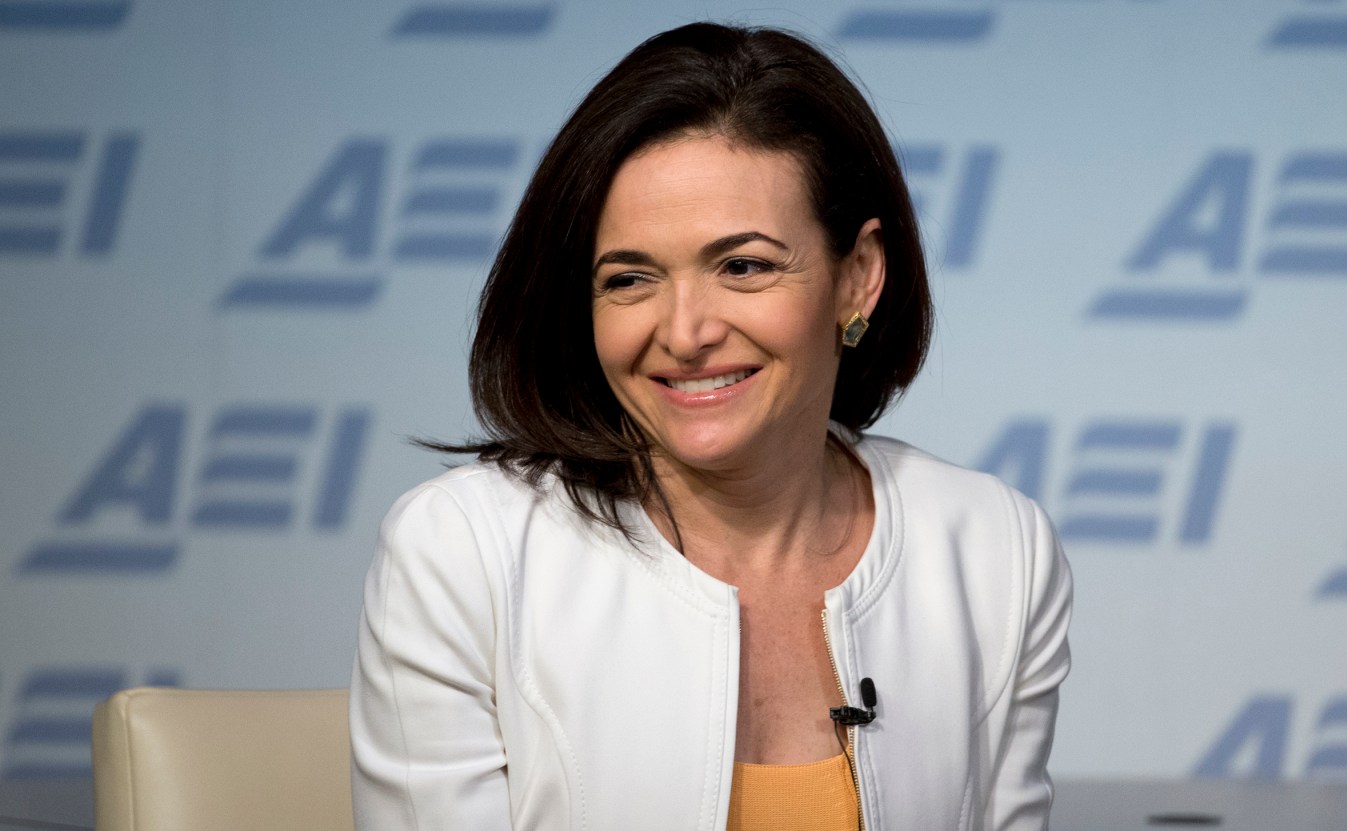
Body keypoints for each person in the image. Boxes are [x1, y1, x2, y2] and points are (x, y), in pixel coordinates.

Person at [350, 21, 1071, 831]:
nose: (686, 332)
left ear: (858, 277)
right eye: (630, 278)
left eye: (743, 266)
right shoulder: (461, 554)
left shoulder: (997, 554)